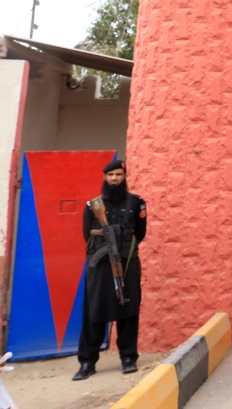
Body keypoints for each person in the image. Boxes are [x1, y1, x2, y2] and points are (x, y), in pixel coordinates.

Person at [73, 160, 146, 381]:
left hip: (126, 262)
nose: (114, 178)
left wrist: (122, 248)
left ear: (124, 177)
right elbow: (87, 234)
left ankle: (128, 358)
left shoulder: (136, 203)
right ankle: (87, 362)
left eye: (118, 175)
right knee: (94, 311)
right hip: (100, 266)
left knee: (128, 308)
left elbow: (140, 233)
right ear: (105, 177)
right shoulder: (93, 205)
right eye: (110, 175)